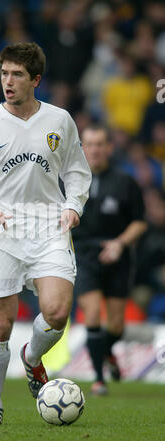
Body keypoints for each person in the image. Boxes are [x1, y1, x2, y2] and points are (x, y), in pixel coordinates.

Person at [0, 42, 92, 425]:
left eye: (17, 75)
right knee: (1, 323)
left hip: (49, 225)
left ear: (36, 80)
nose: (8, 81)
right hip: (2, 228)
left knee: (57, 312)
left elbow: (76, 169)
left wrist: (74, 204)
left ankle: (31, 357)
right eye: (4, 73)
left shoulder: (59, 120)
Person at [73, 124, 147, 395]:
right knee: (91, 313)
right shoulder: (71, 181)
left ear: (109, 148)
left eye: (100, 143)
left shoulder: (125, 183)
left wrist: (119, 244)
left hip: (119, 255)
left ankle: (107, 353)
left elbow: (140, 222)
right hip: (84, 254)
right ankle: (98, 379)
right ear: (82, 148)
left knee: (116, 326)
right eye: (90, 144)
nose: (95, 149)